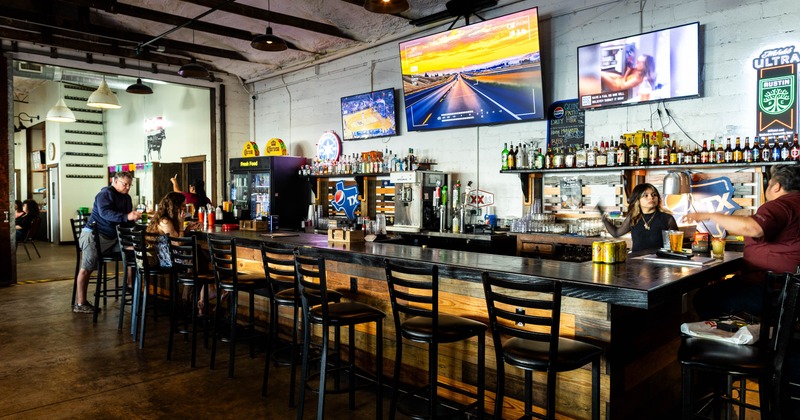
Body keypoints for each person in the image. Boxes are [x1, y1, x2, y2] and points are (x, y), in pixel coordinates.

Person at [684, 164, 800, 318]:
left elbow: (753, 228)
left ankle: (727, 340)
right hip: (790, 289)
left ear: (776, 186)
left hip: (773, 290)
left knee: (703, 298)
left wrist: (710, 216)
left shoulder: (780, 205)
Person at [74, 172, 141, 314]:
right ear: (115, 181)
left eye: (130, 185)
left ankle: (130, 285)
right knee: (86, 268)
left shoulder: (127, 198)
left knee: (133, 250)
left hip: (113, 238)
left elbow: (125, 221)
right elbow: (105, 213)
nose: (127, 187)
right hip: (94, 236)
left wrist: (132, 223)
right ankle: (80, 303)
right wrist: (127, 216)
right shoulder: (104, 194)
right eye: (124, 184)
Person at [602, 183, 678, 252]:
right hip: (637, 262)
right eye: (646, 195)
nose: (651, 197)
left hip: (659, 262)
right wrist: (605, 220)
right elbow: (616, 233)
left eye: (654, 195)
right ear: (637, 200)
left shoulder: (667, 219)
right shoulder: (633, 218)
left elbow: (674, 246)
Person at [145, 192, 201, 267]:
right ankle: (192, 276)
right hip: (167, 260)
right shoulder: (165, 221)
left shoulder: (167, 219)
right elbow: (177, 243)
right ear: (175, 207)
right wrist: (181, 223)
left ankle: (193, 276)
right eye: (183, 206)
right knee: (198, 251)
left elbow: (176, 237)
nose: (185, 208)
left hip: (169, 256)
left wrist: (188, 228)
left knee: (199, 251)